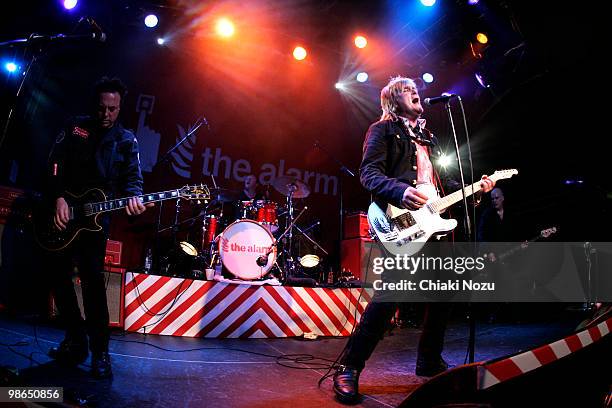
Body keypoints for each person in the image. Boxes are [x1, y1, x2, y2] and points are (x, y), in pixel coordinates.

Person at [333, 76, 495, 403]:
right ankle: (349, 366)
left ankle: (428, 359)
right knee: (391, 295)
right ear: (394, 101)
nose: (416, 93)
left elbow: (437, 186)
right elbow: (369, 174)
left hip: (433, 225)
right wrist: (401, 190)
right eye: (407, 91)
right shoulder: (382, 130)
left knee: (443, 291)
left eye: (415, 90)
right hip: (401, 221)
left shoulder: (427, 137)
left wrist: (476, 191)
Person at [46, 77, 150, 379]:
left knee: (92, 284)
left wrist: (134, 199)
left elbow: (134, 181)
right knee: (58, 276)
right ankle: (75, 339)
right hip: (63, 212)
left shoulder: (127, 140)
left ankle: (100, 352)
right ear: (95, 104)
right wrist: (58, 197)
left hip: (95, 221)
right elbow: (54, 162)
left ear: (120, 108)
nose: (106, 114)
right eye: (102, 108)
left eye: (113, 109)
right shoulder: (75, 126)